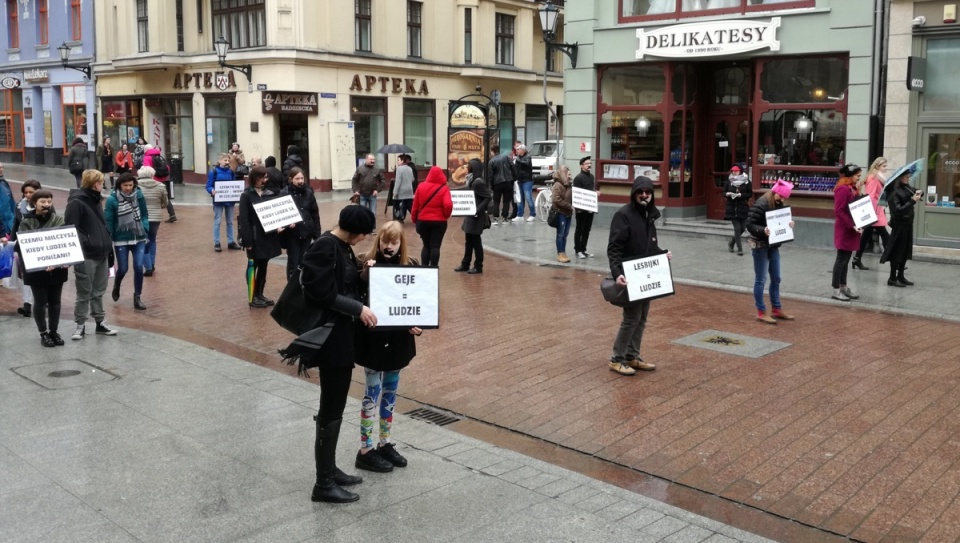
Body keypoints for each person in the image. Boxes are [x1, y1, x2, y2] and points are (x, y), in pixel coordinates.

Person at [278, 205, 376, 504]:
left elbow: (343, 284)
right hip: (331, 340)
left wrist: (363, 274)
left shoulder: (341, 247)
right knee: (331, 407)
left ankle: (330, 469)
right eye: (364, 234)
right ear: (355, 232)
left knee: (334, 405)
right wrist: (358, 309)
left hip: (342, 338)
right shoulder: (325, 246)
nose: (363, 239)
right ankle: (323, 483)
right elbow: (320, 293)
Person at [355, 220, 422, 473]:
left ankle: (385, 443)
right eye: (385, 242)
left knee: (391, 393)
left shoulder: (411, 266)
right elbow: (357, 294)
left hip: (397, 341)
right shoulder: (366, 264)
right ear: (378, 241)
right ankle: (365, 449)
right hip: (373, 341)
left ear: (400, 243)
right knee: (372, 393)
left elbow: (417, 303)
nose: (389, 247)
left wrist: (417, 324)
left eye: (394, 242)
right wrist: (366, 273)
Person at [606, 176, 671, 375]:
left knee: (642, 317)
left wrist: (662, 255)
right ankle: (617, 358)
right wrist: (617, 273)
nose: (644, 195)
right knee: (632, 317)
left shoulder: (649, 215)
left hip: (646, 275)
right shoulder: (623, 215)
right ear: (634, 193)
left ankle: (632, 356)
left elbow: (648, 245)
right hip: (630, 275)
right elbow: (614, 248)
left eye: (648, 192)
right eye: (640, 192)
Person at [64, 169, 119, 339]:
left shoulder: (96, 200)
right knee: (84, 292)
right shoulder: (77, 202)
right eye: (101, 182)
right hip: (87, 254)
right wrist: (87, 242)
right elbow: (71, 227)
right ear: (95, 183)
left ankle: (99, 322)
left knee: (98, 291)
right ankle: (80, 324)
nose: (103, 185)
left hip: (101, 252)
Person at [16, 190, 70, 347]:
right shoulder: (27, 222)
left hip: (57, 268)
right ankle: (43, 333)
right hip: (37, 269)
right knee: (40, 301)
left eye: (49, 202)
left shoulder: (58, 220)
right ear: (34, 204)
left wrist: (67, 260)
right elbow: (22, 246)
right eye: (43, 202)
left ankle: (54, 331)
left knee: (55, 301)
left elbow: (65, 242)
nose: (46, 205)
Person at [745, 179, 796, 324]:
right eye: (782, 196)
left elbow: (780, 221)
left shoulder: (778, 203)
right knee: (760, 279)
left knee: (776, 278)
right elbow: (749, 224)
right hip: (761, 245)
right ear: (775, 193)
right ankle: (761, 311)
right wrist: (763, 230)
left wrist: (789, 224)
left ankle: (776, 308)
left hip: (773, 245)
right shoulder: (761, 204)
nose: (783, 199)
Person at [238, 166, 285, 308]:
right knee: (254, 265)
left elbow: (272, 213)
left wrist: (278, 225)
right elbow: (244, 220)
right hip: (254, 236)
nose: (265, 180)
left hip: (267, 236)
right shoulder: (246, 196)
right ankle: (252, 296)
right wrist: (247, 241)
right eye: (262, 178)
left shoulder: (268, 193)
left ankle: (260, 293)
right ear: (254, 179)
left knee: (264, 264)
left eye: (266, 177)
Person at [105, 172, 149, 311]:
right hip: (121, 238)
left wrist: (145, 227)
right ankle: (117, 284)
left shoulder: (139, 195)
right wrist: (109, 237)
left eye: (131, 185)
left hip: (139, 236)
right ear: (119, 185)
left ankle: (137, 297)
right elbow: (109, 221)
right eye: (125, 185)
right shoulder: (112, 200)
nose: (128, 188)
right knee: (123, 268)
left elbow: (144, 213)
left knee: (138, 266)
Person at [880, 168, 922, 287]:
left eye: (909, 177)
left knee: (905, 251)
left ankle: (901, 276)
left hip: (908, 223)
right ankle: (892, 278)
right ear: (899, 178)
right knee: (897, 251)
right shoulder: (893, 193)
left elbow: (914, 191)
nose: (908, 179)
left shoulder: (906, 188)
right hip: (899, 225)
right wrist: (912, 201)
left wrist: (920, 192)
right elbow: (898, 210)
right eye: (906, 177)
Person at [831, 163, 863, 301]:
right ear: (850, 175)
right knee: (841, 260)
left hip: (852, 228)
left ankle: (843, 286)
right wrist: (852, 225)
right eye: (857, 175)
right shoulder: (842, 189)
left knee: (846, 260)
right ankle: (836, 289)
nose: (858, 178)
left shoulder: (852, 188)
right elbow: (839, 211)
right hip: (845, 229)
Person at [455, 158, 492, 274]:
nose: (466, 169)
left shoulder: (478, 182)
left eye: (469, 167)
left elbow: (488, 197)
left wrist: (478, 209)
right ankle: (465, 263)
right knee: (469, 241)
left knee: (476, 241)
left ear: (474, 168)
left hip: (476, 216)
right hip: (471, 215)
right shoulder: (472, 180)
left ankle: (478, 265)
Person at [410, 166, 453, 267]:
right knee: (435, 246)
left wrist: (414, 219)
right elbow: (448, 205)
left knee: (426, 245)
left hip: (423, 220)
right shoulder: (444, 188)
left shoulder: (421, 186)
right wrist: (445, 215)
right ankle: (434, 267)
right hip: (439, 222)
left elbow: (415, 205)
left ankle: (424, 267)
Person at [283, 167, 320, 279]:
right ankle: (291, 288)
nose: (300, 181)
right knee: (293, 263)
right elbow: (281, 214)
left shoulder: (308, 193)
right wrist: (287, 224)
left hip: (306, 232)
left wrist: (317, 234)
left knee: (304, 262)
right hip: (292, 234)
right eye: (297, 178)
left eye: (302, 178)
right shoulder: (285, 193)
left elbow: (315, 214)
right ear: (291, 179)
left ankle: (301, 286)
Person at [12, 179, 41, 317]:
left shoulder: (44, 204)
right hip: (24, 246)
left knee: (40, 274)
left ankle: (42, 299)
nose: (28, 195)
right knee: (26, 275)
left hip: (41, 245)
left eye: (31, 192)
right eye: (26, 192)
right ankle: (27, 304)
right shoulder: (19, 206)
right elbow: (16, 224)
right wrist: (12, 242)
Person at [854, 157, 890, 268]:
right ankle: (896, 261)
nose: (886, 168)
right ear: (877, 166)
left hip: (877, 211)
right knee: (886, 237)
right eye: (884, 166)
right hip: (874, 212)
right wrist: (871, 214)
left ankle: (856, 259)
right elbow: (869, 196)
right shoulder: (874, 178)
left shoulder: (879, 178)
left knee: (866, 237)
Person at [136, 166, 169, 277]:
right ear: (152, 174)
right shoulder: (160, 186)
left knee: (143, 240)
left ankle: (148, 267)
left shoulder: (135, 186)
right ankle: (152, 262)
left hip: (141, 217)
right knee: (152, 239)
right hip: (156, 217)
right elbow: (165, 202)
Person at [206, 153, 242, 252]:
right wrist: (212, 190)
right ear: (220, 161)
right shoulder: (213, 172)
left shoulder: (231, 172)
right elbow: (208, 185)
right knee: (217, 221)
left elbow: (234, 185)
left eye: (228, 161)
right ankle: (217, 242)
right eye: (225, 160)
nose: (227, 162)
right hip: (218, 201)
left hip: (229, 201)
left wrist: (236, 194)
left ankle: (231, 242)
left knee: (230, 221)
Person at [143, 144, 177, 223]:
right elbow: (167, 168)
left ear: (146, 150)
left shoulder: (147, 157)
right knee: (165, 197)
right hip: (163, 180)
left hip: (153, 180)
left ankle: (151, 216)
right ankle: (172, 215)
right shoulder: (160, 157)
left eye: (144, 150)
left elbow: (147, 170)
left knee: (151, 197)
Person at [723, 164, 752, 256]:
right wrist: (727, 194)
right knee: (737, 228)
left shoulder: (747, 182)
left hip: (743, 208)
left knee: (743, 228)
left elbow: (750, 194)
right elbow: (723, 192)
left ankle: (731, 242)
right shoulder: (729, 181)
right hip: (732, 208)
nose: (734, 172)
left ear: (741, 171)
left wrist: (741, 195)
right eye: (733, 171)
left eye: (736, 171)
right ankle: (740, 248)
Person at [573, 156, 598, 258]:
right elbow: (577, 193)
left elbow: (591, 190)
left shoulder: (591, 177)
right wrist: (578, 209)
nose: (589, 165)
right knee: (580, 229)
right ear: (581, 166)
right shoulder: (578, 178)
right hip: (581, 209)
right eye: (587, 164)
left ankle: (584, 249)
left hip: (590, 208)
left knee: (587, 230)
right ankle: (578, 250)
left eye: (590, 163)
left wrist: (595, 194)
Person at [551, 165, 574, 263]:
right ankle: (560, 253)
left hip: (568, 213)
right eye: (568, 174)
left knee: (565, 234)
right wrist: (569, 206)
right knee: (560, 233)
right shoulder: (557, 185)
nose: (569, 176)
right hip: (560, 212)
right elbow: (556, 199)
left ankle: (563, 252)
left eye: (570, 175)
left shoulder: (569, 185)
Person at [488, 145, 515, 226]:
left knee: (496, 201)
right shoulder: (506, 157)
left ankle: (495, 218)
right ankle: (504, 218)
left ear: (493, 151)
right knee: (506, 201)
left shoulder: (491, 161)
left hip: (497, 183)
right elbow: (513, 167)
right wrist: (513, 179)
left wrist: (491, 185)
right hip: (508, 181)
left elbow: (491, 176)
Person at [512, 144, 536, 222]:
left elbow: (526, 164)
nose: (517, 151)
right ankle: (520, 215)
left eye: (518, 149)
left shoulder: (528, 157)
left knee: (528, 197)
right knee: (520, 198)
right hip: (519, 180)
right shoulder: (518, 158)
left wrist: (518, 161)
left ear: (523, 150)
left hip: (527, 180)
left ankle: (532, 214)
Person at [390, 155, 415, 222]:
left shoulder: (399, 169)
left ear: (402, 161)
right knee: (409, 206)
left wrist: (395, 192)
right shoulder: (410, 168)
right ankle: (416, 217)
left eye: (398, 160)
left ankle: (399, 218)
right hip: (409, 190)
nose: (397, 162)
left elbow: (398, 182)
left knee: (399, 205)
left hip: (401, 191)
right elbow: (413, 179)